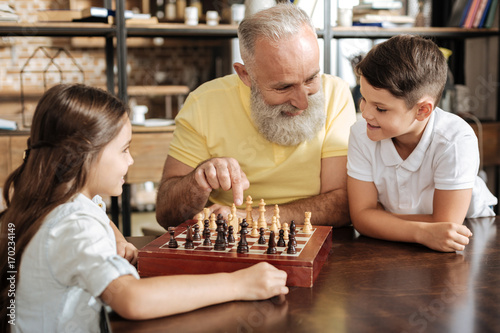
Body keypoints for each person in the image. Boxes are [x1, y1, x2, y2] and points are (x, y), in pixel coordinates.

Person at [0, 84, 288, 333]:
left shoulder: (52, 199)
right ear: (84, 155)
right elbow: (133, 300)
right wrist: (239, 285)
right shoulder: (73, 222)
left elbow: (94, 213)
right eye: (124, 149)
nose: (131, 161)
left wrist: (116, 237)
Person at [156, 4, 357, 228]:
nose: (303, 102)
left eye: (311, 79)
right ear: (245, 75)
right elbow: (166, 215)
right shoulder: (204, 102)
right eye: (284, 87)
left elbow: (342, 204)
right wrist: (198, 179)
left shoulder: (336, 93)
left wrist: (253, 218)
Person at [347, 35, 497, 253]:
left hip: (472, 234)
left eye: (381, 108)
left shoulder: (455, 139)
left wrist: (379, 217)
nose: (366, 113)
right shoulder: (361, 133)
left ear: (422, 110)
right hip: (405, 242)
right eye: (363, 98)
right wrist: (419, 231)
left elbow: (446, 225)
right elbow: (361, 218)